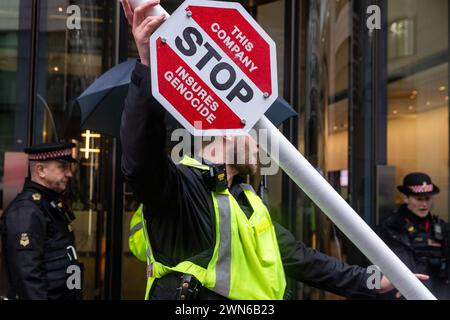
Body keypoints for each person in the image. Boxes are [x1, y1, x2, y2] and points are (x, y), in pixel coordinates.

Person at [119, 0, 425, 300]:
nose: (262, 143)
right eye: (255, 133)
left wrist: (373, 282)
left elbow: (304, 260)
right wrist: (148, 67)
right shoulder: (182, 192)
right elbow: (139, 162)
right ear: (228, 129)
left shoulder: (247, 202)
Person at [1, 142, 82, 300]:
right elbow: (28, 278)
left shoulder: (49, 205)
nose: (69, 174)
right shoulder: (26, 211)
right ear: (41, 170)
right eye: (62, 167)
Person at [377, 173, 450, 300]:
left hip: (436, 294)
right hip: (401, 294)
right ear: (406, 198)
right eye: (419, 199)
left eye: (427, 198)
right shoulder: (389, 228)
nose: (424, 204)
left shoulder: (441, 228)